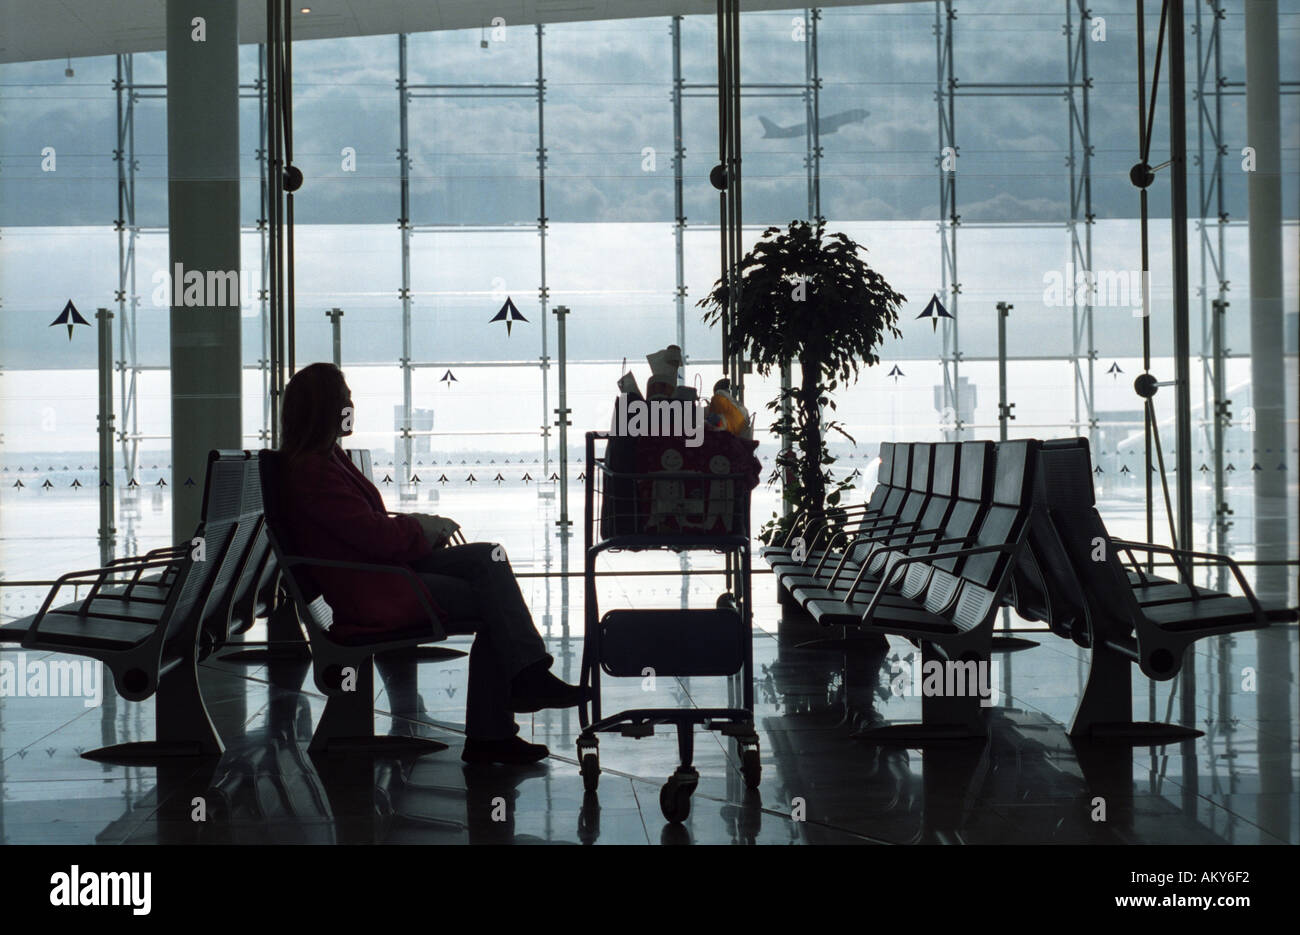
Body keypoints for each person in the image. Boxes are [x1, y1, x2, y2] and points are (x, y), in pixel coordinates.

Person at [277, 362, 583, 765]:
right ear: (326, 409)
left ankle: (526, 678)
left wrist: (420, 528)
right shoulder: (316, 470)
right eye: (344, 396)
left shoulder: (323, 461)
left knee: (487, 556)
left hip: (370, 576)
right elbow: (375, 538)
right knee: (492, 604)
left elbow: (365, 533)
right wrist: (420, 527)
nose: (352, 402)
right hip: (369, 590)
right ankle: (498, 723)